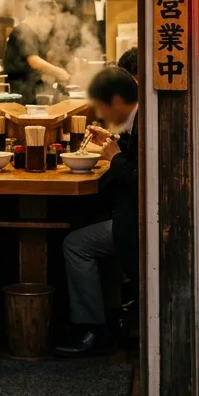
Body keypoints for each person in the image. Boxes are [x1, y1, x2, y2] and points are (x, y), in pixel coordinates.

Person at [56, 66, 139, 357]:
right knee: (89, 224)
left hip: (142, 223)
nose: (102, 114)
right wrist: (115, 143)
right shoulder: (141, 117)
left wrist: (115, 157)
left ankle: (93, 329)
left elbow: (142, 178)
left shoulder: (145, 119)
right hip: (135, 216)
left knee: (75, 245)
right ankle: (112, 314)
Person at [3, 0, 71, 104]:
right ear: (39, 14)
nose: (51, 25)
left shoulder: (31, 33)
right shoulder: (23, 31)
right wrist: (59, 72)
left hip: (28, 90)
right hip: (20, 93)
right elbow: (34, 61)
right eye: (50, 20)